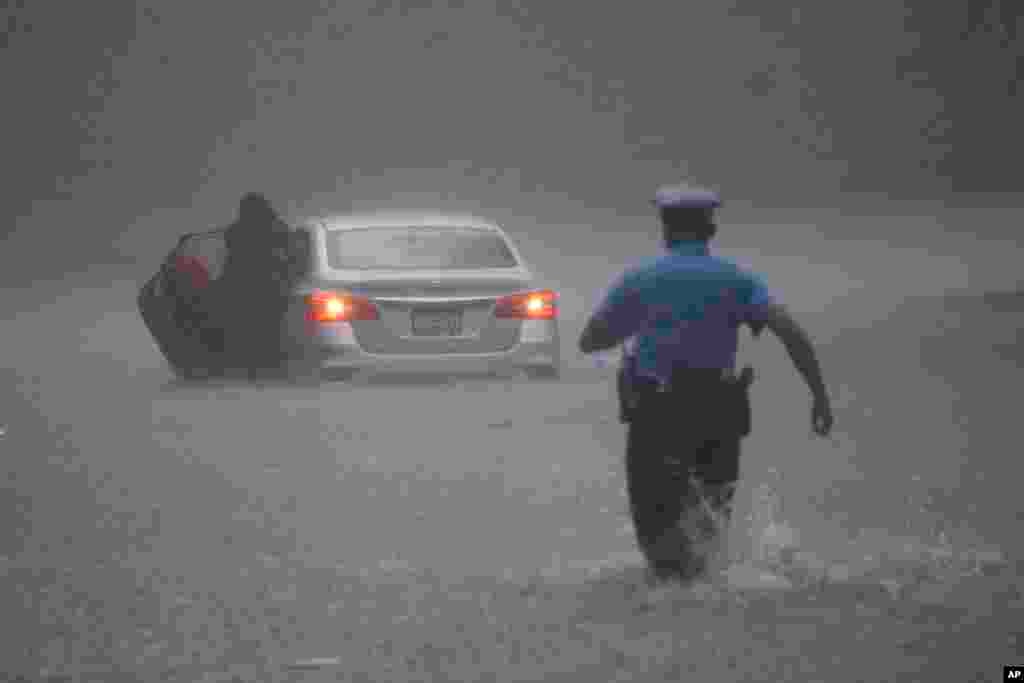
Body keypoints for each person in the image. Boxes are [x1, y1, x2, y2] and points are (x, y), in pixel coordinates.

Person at [578, 183, 834, 583]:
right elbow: (789, 330)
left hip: (656, 416)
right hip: (719, 414)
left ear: (664, 230)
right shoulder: (738, 280)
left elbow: (590, 339)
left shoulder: (639, 279)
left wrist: (630, 331)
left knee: (658, 542)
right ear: (710, 231)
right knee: (709, 533)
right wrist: (819, 396)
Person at [216, 192, 295, 373]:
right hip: (271, 287)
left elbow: (232, 256)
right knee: (270, 328)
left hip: (241, 288)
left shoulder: (235, 231)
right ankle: (271, 363)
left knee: (245, 328)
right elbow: (290, 255)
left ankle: (249, 363)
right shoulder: (278, 228)